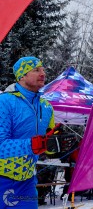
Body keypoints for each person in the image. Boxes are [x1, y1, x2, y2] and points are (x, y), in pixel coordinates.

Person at [0, 56, 55, 208]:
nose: (42, 73)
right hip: (2, 178)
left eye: (43, 69)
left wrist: (55, 145)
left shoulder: (47, 107)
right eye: (36, 70)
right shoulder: (4, 102)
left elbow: (47, 145)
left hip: (28, 180)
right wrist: (31, 145)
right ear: (22, 76)